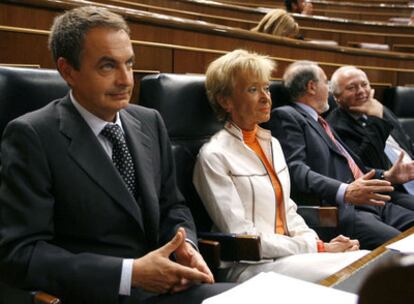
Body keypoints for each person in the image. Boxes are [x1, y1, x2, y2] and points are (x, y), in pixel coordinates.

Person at [0, 6, 234, 304]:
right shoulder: (32, 135)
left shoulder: (150, 121)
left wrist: (184, 244)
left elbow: (172, 206)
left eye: (129, 63)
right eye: (108, 66)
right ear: (68, 70)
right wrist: (129, 273)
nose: (125, 80)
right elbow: (21, 254)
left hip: (166, 290)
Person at [193, 49, 367, 284]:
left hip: (292, 256)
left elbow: (289, 211)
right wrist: (318, 247)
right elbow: (243, 236)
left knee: (363, 260)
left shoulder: (272, 144)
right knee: (360, 270)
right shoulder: (214, 156)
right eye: (253, 89)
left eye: (266, 87)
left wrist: (317, 245)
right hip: (251, 265)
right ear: (226, 101)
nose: (266, 97)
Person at [268, 60, 414, 250]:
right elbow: (297, 172)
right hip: (345, 210)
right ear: (312, 87)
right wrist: (344, 191)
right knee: (405, 249)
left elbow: (351, 166)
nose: (329, 89)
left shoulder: (322, 122)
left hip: (373, 202)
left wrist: (387, 176)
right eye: (326, 82)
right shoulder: (287, 116)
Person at [328, 66, 414, 208]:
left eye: (364, 84)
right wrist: (375, 120)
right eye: (351, 88)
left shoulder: (380, 108)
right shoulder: (336, 127)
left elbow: (406, 144)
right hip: (391, 186)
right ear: (337, 98)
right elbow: (366, 164)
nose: (361, 91)